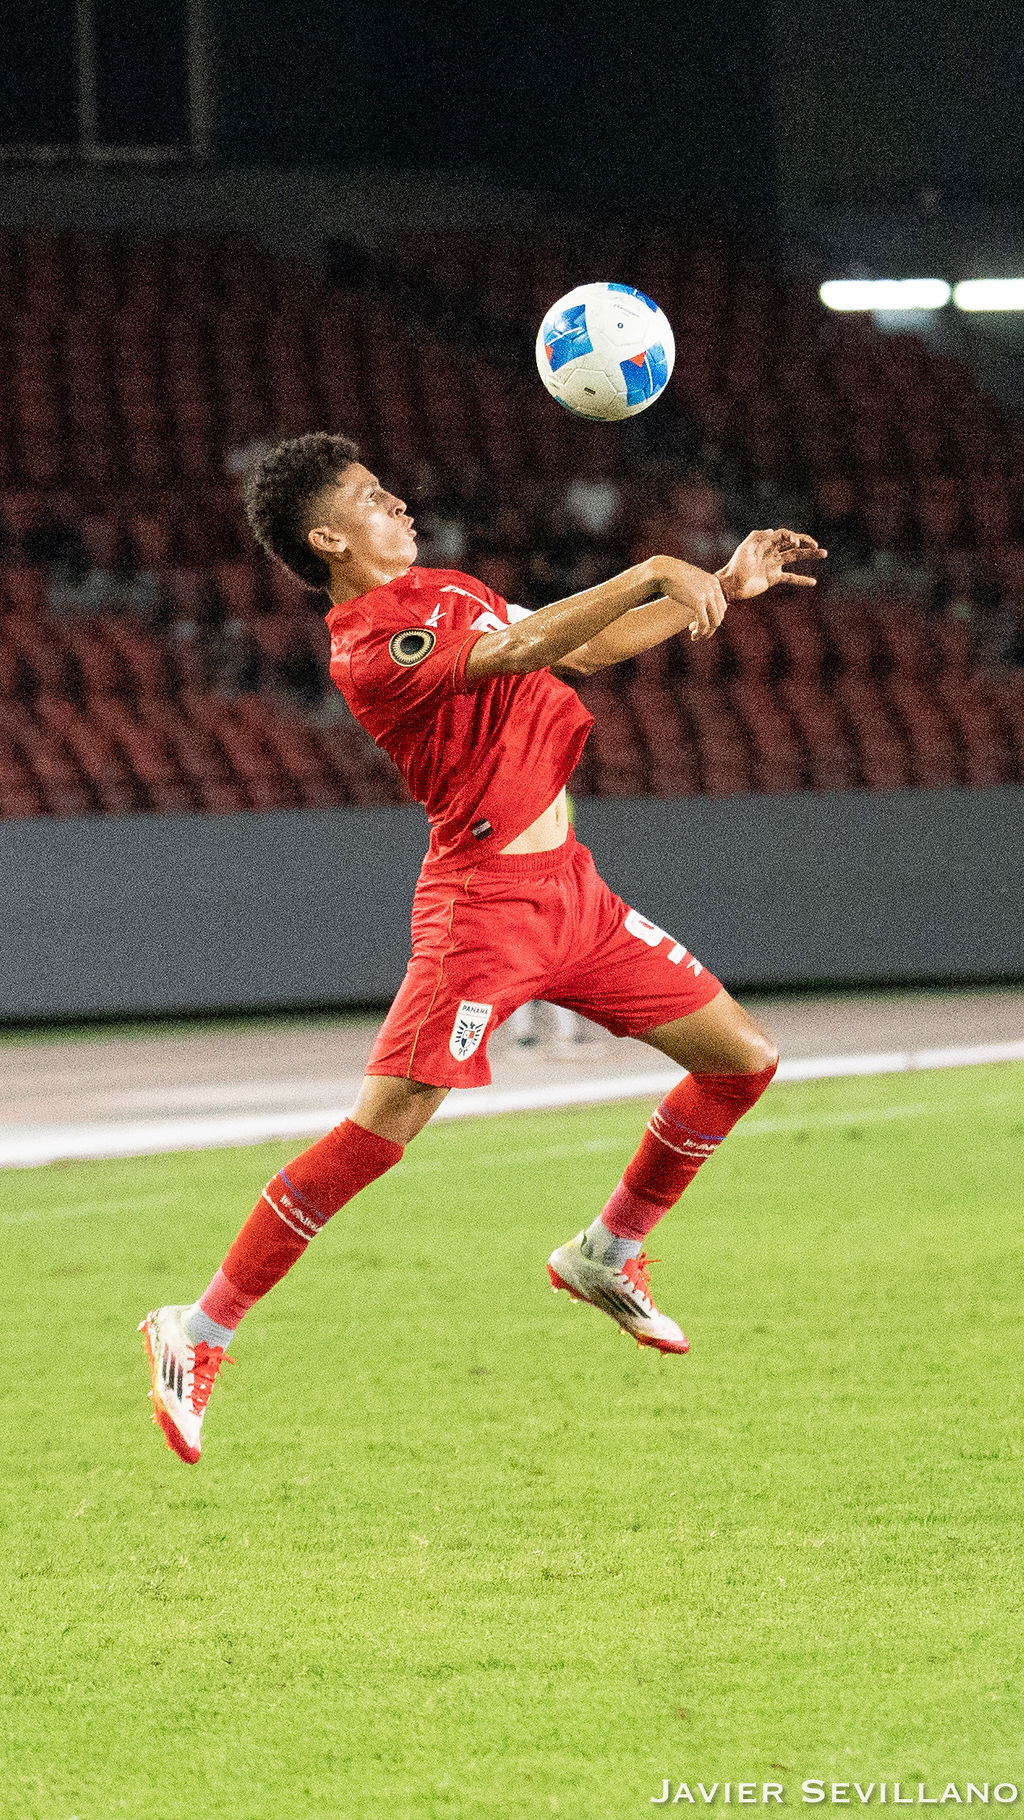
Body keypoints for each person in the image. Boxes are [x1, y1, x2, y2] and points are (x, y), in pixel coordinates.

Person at [139, 431, 825, 1463]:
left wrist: (715, 586)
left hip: (575, 898)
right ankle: (197, 1328)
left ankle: (606, 1252)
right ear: (328, 539)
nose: (399, 503)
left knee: (742, 1060)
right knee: (380, 1131)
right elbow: (517, 650)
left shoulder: (450, 587)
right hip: (482, 910)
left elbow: (577, 648)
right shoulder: (369, 646)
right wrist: (653, 566)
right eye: (372, 497)